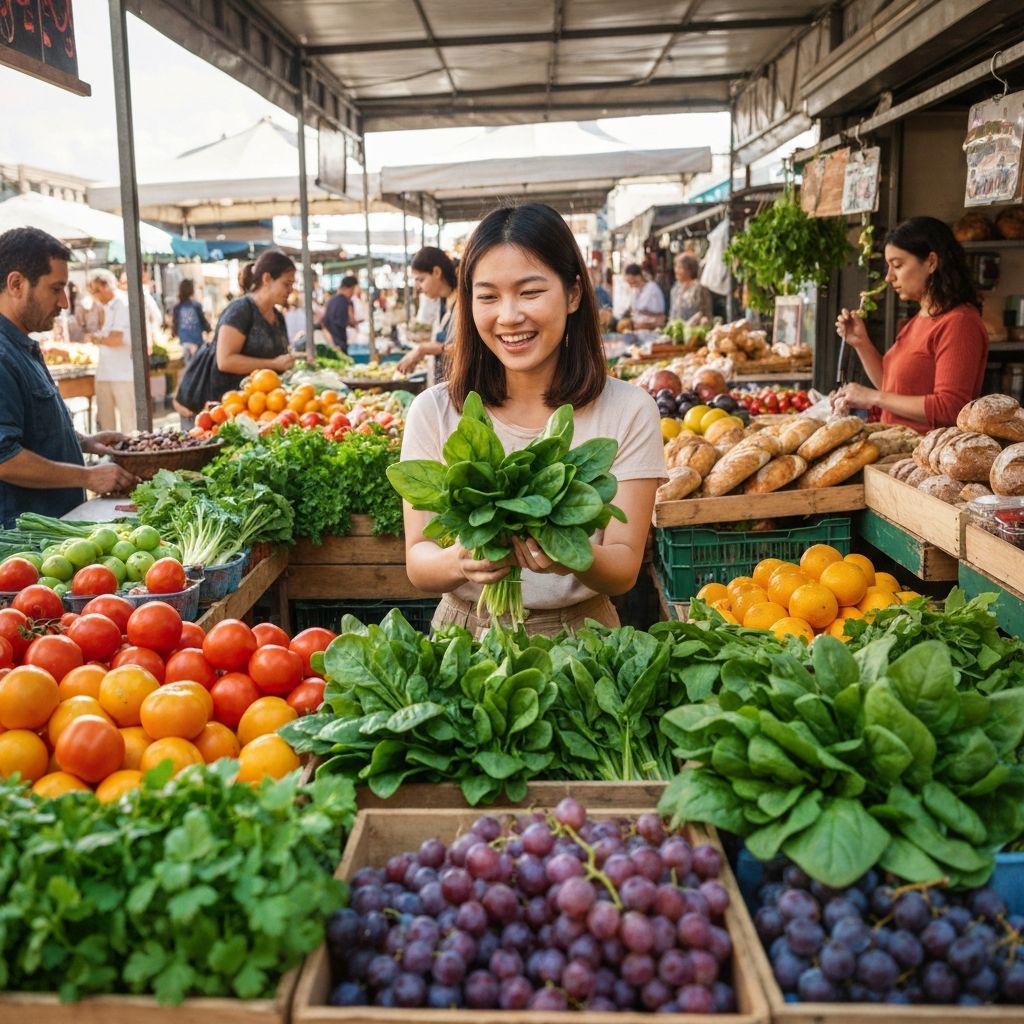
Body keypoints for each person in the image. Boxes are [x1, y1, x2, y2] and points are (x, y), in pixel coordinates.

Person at [399, 203, 665, 637]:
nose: (508, 316)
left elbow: (623, 569)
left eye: (530, 292)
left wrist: (570, 554)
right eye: (488, 296)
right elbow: (418, 559)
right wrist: (459, 561)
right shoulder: (434, 410)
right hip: (463, 636)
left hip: (583, 639)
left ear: (573, 294)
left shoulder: (629, 410)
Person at [0, 228, 136, 527]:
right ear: (16, 284)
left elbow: (31, 429)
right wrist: (87, 476)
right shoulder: (3, 355)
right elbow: (5, 459)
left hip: (55, 531)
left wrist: (83, 442)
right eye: (56, 289)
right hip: (25, 540)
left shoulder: (20, 347)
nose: (64, 303)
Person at [833, 216, 988, 431]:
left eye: (897, 265)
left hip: (928, 450)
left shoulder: (959, 323)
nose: (889, 277)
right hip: (898, 445)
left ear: (931, 262)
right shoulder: (919, 320)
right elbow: (892, 388)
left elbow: (950, 408)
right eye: (888, 267)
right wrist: (861, 343)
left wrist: (873, 397)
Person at [84, 269, 137, 433]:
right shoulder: (107, 306)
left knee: (129, 425)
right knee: (106, 425)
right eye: (93, 292)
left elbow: (117, 338)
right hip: (106, 372)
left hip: (123, 373)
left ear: (107, 285)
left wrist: (97, 339)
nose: (96, 295)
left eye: (97, 290)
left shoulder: (123, 303)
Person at [396, 247, 457, 374]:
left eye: (421, 280)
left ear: (437, 272)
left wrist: (423, 349)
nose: (418, 287)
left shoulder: (464, 304)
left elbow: (467, 350)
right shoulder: (443, 302)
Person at [171, 278, 211, 364]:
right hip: (196, 340)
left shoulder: (177, 307)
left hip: (184, 340)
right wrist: (208, 329)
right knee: (197, 365)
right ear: (191, 290)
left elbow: (175, 323)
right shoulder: (196, 305)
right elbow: (203, 321)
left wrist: (174, 333)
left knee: (188, 364)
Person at [669, 252, 713, 322]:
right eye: (676, 267)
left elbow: (706, 314)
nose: (676, 270)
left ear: (689, 270)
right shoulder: (676, 288)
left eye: (680, 267)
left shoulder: (699, 289)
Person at [622, 262, 666, 329]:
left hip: (651, 328)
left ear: (638, 277)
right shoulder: (634, 291)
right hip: (637, 328)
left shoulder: (652, 288)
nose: (630, 284)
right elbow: (633, 310)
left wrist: (642, 313)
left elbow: (660, 314)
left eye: (631, 280)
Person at [322, 275, 358, 354]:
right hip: (339, 345)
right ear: (349, 288)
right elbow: (345, 322)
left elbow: (325, 325)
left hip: (332, 345)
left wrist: (332, 344)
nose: (352, 294)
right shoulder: (344, 302)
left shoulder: (331, 301)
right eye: (353, 290)